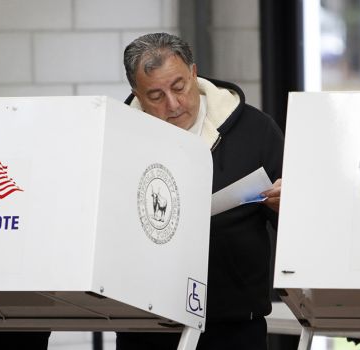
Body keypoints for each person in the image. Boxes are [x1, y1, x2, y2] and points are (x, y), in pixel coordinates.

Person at [117, 33, 284, 350]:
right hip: (144, 322)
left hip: (234, 322)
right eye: (155, 95)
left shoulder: (255, 129)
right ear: (136, 93)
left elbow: (299, 227)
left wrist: (287, 206)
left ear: (194, 72)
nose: (173, 104)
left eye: (179, 87)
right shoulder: (119, 138)